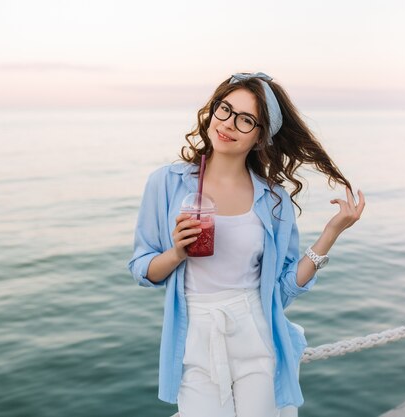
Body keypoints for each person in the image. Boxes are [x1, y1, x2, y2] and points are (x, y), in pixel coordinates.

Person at [128, 72, 365, 417]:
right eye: (224, 109)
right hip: (194, 333)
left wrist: (331, 233)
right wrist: (177, 252)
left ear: (259, 136)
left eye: (246, 120)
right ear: (212, 111)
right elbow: (142, 269)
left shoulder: (274, 200)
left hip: (255, 330)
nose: (229, 124)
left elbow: (282, 287)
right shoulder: (167, 183)